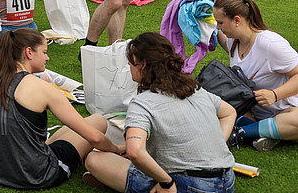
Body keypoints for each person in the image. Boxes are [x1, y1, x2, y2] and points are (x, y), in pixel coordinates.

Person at [84, 32, 236, 193]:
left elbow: (135, 151)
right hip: (226, 181)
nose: (128, 65)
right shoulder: (195, 89)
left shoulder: (142, 102)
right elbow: (230, 112)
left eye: (131, 61)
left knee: (94, 159)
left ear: (142, 65)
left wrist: (166, 183)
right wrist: (216, 147)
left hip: (186, 185)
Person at [0, 28, 122, 189]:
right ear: (29, 52)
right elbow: (94, 137)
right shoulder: (41, 88)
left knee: (66, 130)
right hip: (36, 175)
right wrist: (116, 149)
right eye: (44, 52)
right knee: (98, 121)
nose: (47, 57)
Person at [215, 0, 298, 151]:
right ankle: (265, 132)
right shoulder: (234, 40)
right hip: (250, 111)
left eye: (220, 23)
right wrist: (205, 22)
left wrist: (275, 94)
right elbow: (227, 45)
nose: (218, 27)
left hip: (285, 112)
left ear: (237, 21)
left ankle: (240, 132)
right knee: (211, 101)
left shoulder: (271, 44)